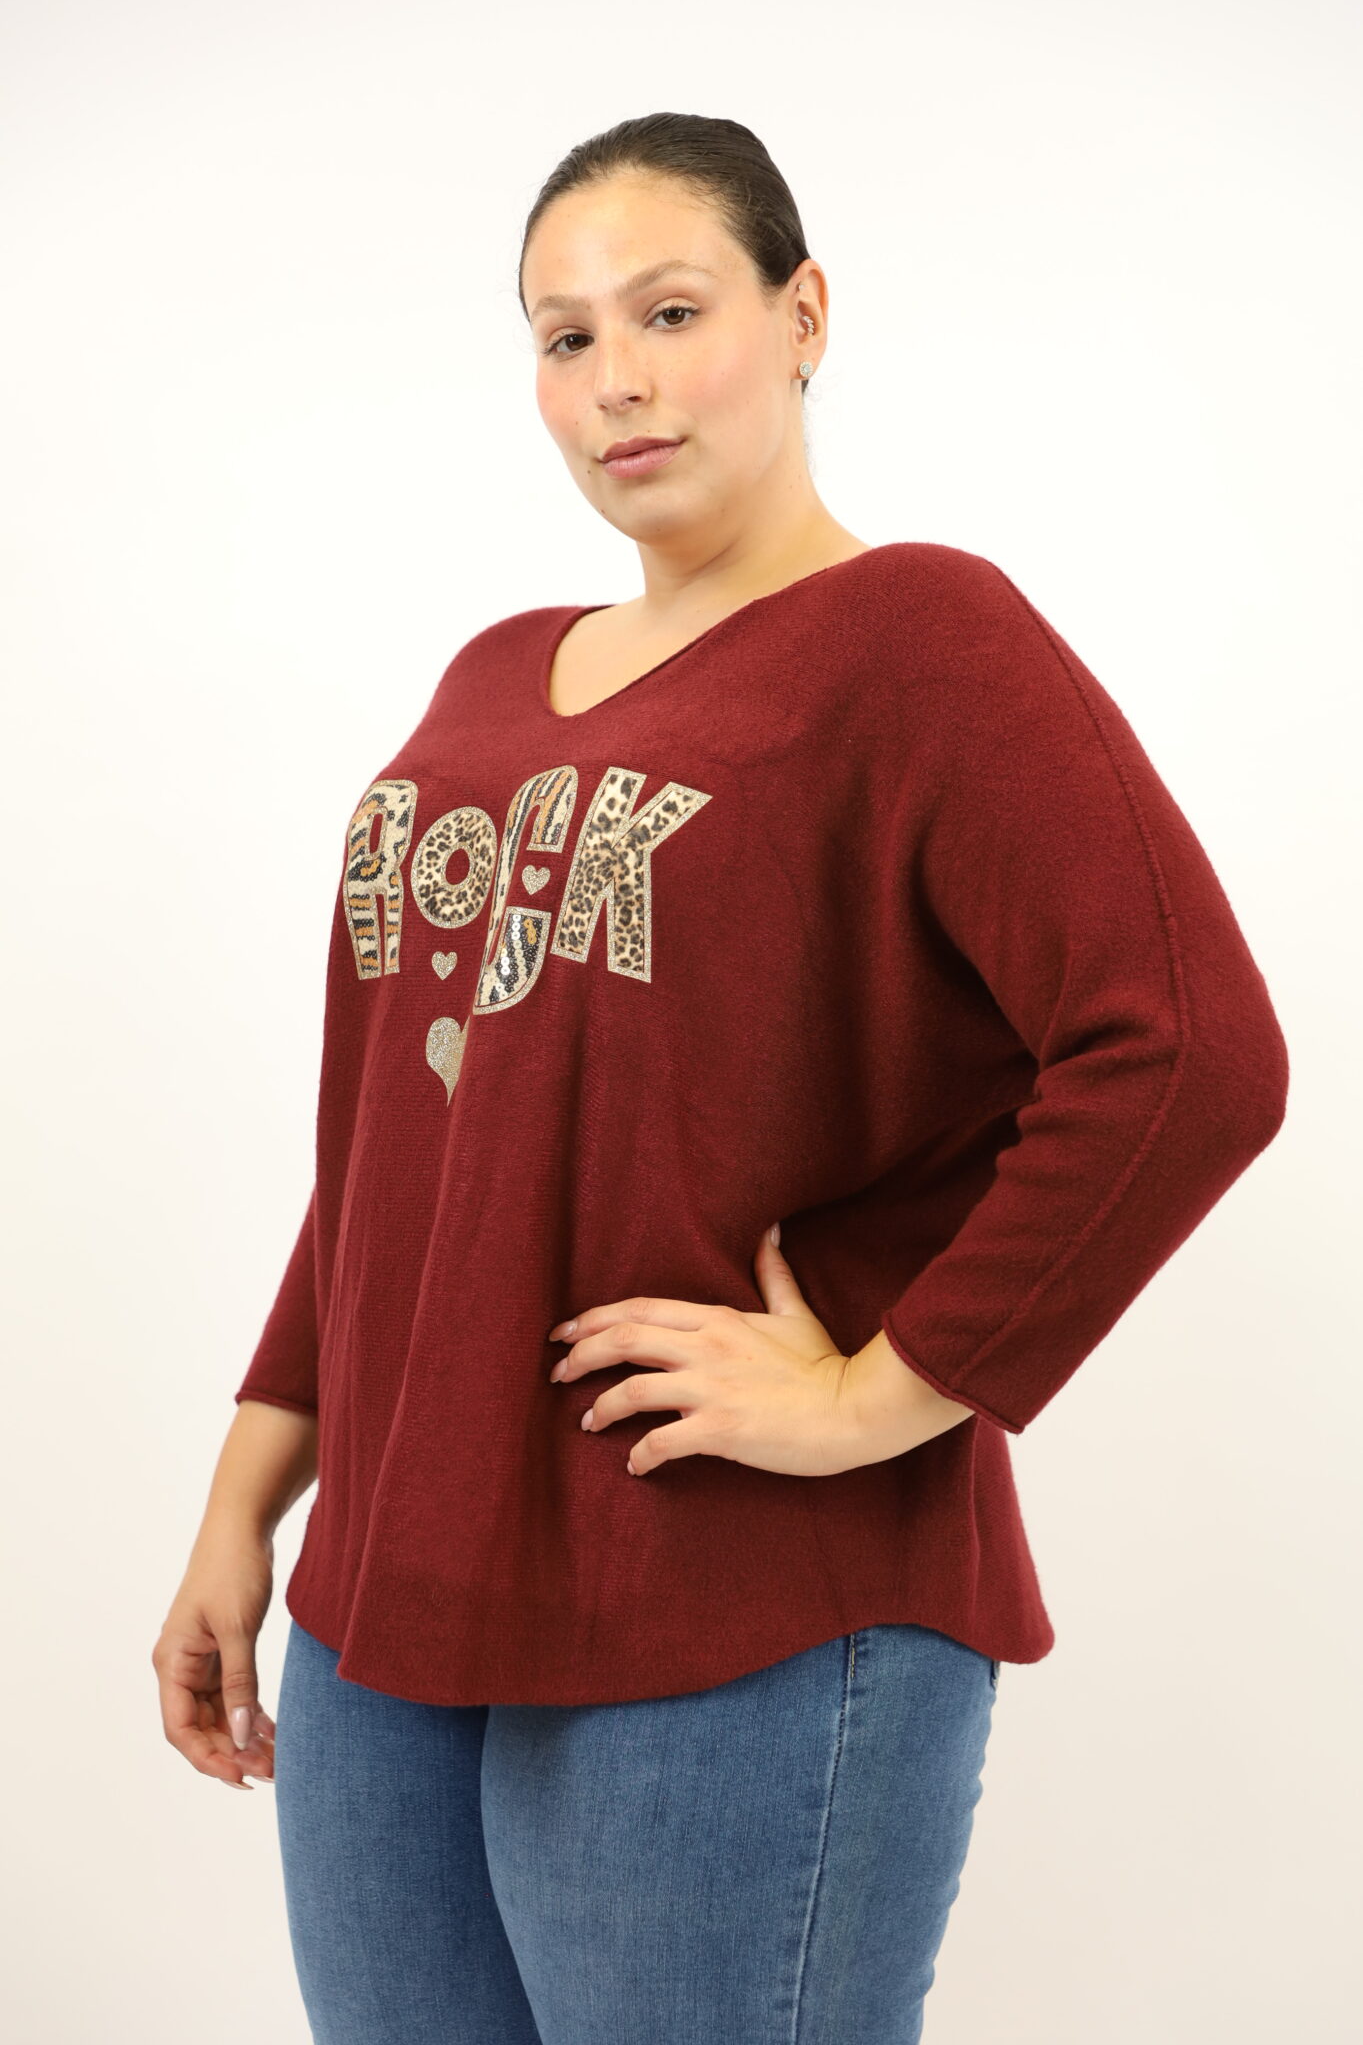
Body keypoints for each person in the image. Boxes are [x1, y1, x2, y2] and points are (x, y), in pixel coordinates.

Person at [152, 111, 1290, 2042]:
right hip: (381, 1609)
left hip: (731, 1598)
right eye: (565, 336)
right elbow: (410, 1143)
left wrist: (876, 1393)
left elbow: (1190, 1052)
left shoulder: (922, 637)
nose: (618, 379)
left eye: (670, 312)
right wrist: (245, 1503)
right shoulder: (490, 673)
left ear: (804, 314)